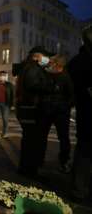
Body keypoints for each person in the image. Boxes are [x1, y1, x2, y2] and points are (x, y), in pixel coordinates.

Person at [16, 46, 57, 179]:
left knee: (30, 140)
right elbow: (32, 85)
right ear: (37, 56)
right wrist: (51, 87)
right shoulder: (33, 68)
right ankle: (29, 170)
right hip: (32, 110)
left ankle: (27, 168)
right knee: (32, 141)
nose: (48, 59)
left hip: (29, 109)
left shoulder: (31, 67)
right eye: (46, 56)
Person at [68, 26, 92, 201]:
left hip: (85, 113)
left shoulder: (76, 61)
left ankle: (78, 188)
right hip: (88, 112)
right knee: (84, 151)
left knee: (83, 150)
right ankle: (79, 189)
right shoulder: (83, 61)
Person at [39, 55, 74, 173]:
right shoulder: (49, 75)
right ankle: (41, 160)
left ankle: (64, 161)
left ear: (58, 64)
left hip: (59, 112)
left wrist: (64, 106)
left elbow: (71, 96)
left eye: (52, 62)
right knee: (43, 136)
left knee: (63, 138)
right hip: (49, 110)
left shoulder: (65, 77)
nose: (50, 63)